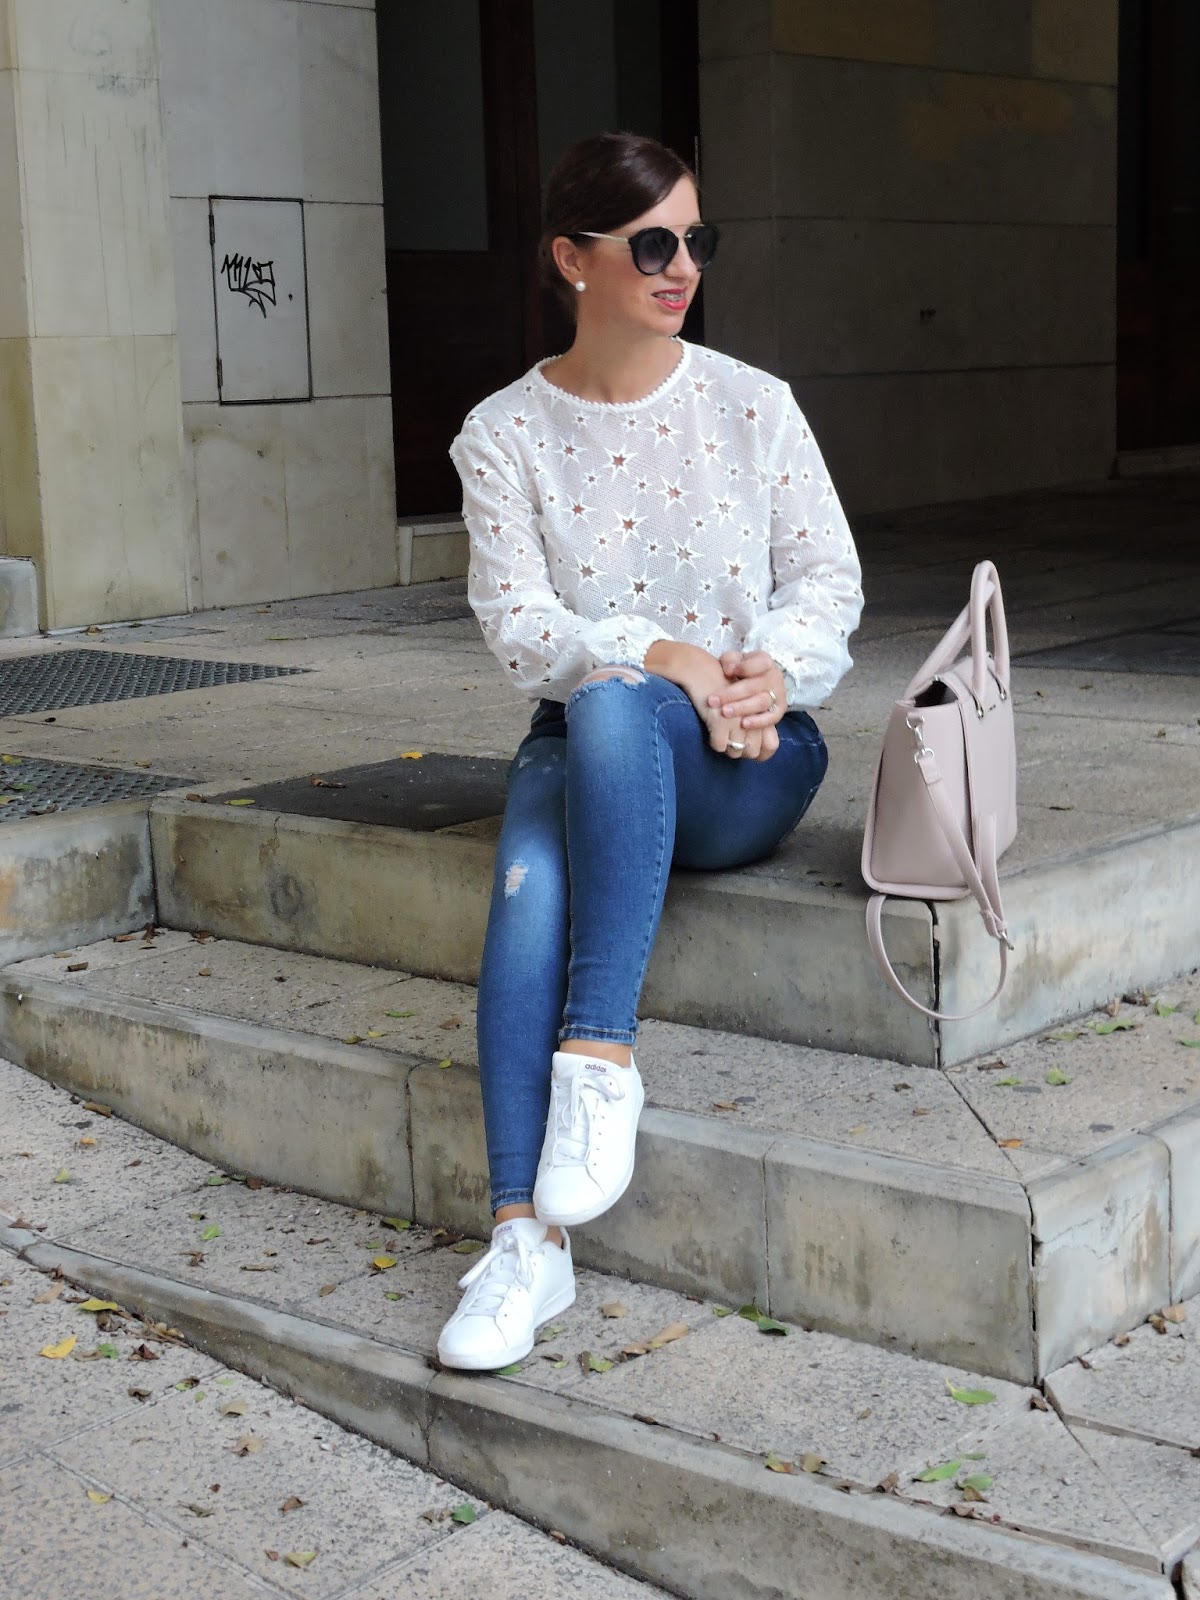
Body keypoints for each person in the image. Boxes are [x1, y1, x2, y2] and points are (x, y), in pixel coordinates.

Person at [438, 131, 863, 1370]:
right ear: (572, 258)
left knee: (612, 721)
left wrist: (767, 667)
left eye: (696, 240)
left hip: (750, 752)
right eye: (654, 244)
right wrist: (661, 652)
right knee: (534, 871)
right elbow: (522, 628)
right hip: (590, 730)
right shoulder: (503, 434)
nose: (683, 267)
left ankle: (599, 1048)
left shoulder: (753, 405)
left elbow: (827, 579)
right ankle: (524, 1241)